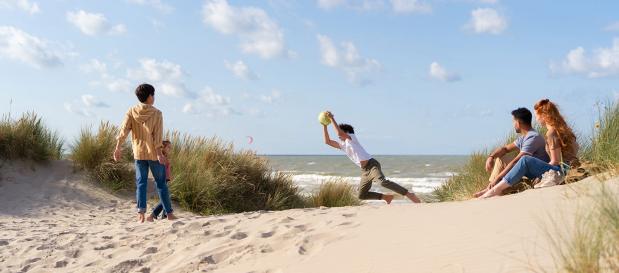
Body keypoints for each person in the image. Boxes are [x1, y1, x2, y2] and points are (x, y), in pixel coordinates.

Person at [480, 99, 579, 198]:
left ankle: (495, 190)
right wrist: (491, 156)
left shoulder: (551, 133)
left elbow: (556, 161)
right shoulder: (559, 130)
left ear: (544, 115)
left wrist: (542, 175)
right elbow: (505, 149)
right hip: (563, 168)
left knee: (524, 159)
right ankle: (493, 188)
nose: (536, 119)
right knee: (516, 160)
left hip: (560, 171)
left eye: (537, 115)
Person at [321, 111, 421, 204]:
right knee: (361, 195)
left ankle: (408, 194)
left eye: (341, 131)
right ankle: (386, 197)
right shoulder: (343, 145)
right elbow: (327, 141)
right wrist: (325, 126)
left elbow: (339, 133)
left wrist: (332, 119)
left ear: (347, 132)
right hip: (365, 171)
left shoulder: (352, 138)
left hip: (372, 165)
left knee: (382, 182)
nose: (338, 135)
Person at [113, 83, 177, 222]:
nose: (154, 97)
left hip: (139, 153)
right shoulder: (157, 113)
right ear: (149, 97)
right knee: (161, 184)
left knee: (141, 183)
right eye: (153, 95)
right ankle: (170, 214)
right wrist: (160, 154)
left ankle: (141, 214)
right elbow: (157, 137)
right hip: (153, 154)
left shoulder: (131, 111)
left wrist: (118, 147)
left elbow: (123, 130)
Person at [473, 107, 550, 198]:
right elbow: (505, 149)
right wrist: (491, 157)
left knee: (514, 162)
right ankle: (491, 188)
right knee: (502, 158)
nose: (513, 125)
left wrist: (497, 178)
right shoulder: (524, 137)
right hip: (528, 173)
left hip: (538, 175)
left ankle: (493, 188)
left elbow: (517, 161)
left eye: (514, 122)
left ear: (518, 123)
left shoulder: (533, 137)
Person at [148, 140, 172, 221]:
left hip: (165, 179)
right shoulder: (160, 157)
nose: (170, 149)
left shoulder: (165, 157)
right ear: (163, 148)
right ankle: (153, 215)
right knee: (165, 198)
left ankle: (163, 215)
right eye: (168, 147)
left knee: (166, 198)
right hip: (161, 180)